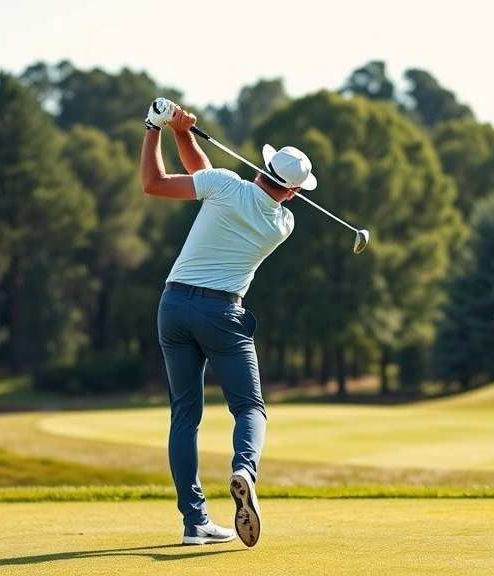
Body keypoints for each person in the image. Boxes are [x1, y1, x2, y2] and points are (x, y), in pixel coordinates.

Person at [140, 97, 318, 547]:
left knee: (185, 417)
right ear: (293, 191)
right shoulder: (284, 222)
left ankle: (194, 522)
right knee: (249, 409)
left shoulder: (224, 185)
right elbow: (207, 178)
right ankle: (243, 470)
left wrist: (156, 127)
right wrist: (183, 132)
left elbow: (155, 183)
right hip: (222, 314)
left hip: (173, 306)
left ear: (263, 167)